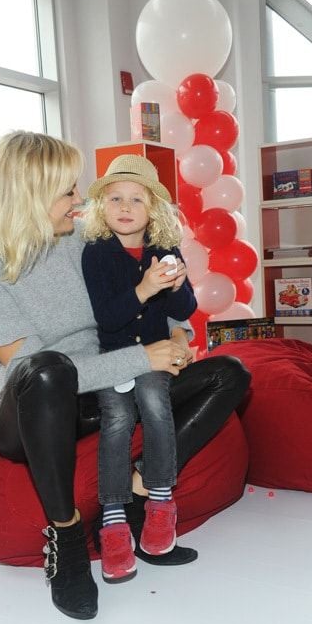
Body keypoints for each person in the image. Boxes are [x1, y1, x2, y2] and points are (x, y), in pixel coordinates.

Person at [0, 130, 251, 622]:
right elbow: (31, 369)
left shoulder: (87, 241)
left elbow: (150, 290)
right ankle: (68, 537)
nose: (79, 200)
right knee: (47, 370)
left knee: (231, 374)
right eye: (68, 191)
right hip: (38, 409)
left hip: (107, 385)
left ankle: (142, 488)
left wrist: (177, 336)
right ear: (29, 195)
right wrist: (143, 360)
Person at [82, 155, 198, 583]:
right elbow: (108, 318)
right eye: (115, 198)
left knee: (153, 400)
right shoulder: (96, 254)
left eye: (136, 199)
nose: (125, 207)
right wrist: (145, 287)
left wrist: (178, 285)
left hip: (154, 352)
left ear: (153, 210)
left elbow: (185, 309)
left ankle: (161, 502)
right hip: (114, 357)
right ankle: (113, 520)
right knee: (116, 417)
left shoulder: (163, 250)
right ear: (102, 207)